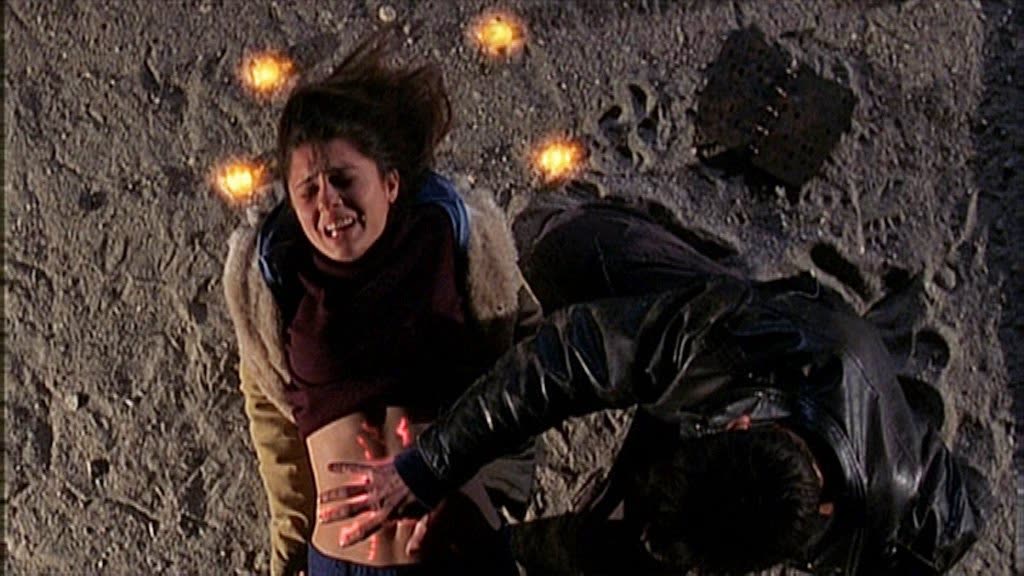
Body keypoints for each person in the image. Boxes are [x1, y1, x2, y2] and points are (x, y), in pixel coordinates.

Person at [326, 195, 990, 574]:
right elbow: (568, 360)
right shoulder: (728, 345)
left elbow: (961, 517)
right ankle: (663, 249)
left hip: (845, 401)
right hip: (754, 325)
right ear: (735, 424)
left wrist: (500, 551)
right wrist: (428, 465)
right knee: (560, 248)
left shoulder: (901, 524)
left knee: (632, 554)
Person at [222, 32, 538, 576]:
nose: (329, 203)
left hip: (461, 554)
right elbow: (274, 431)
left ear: (390, 183)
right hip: (341, 565)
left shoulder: (454, 240)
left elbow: (528, 362)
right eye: (308, 190)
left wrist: (497, 488)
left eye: (344, 180)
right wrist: (288, 554)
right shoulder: (273, 281)